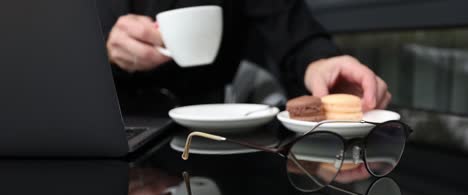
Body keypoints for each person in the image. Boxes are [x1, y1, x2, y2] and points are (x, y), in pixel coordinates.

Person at [97, 0, 390, 111]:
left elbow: (290, 27)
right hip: (112, 127)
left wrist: (321, 62)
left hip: (216, 140)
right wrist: (105, 57)